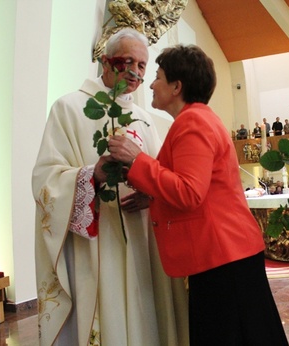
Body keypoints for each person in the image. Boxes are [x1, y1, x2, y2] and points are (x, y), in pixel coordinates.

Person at [108, 44, 289, 346]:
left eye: (158, 76)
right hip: (227, 254)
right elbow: (203, 190)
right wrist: (153, 197)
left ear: (177, 86)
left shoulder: (193, 122)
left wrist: (137, 159)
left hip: (221, 256)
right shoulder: (199, 118)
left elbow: (190, 192)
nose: (151, 83)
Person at [32, 28, 188, 346]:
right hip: (97, 245)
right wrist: (92, 175)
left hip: (142, 238)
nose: (134, 72)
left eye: (142, 66)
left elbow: (162, 175)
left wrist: (151, 193)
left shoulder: (145, 120)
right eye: (126, 61)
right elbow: (46, 179)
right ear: (105, 62)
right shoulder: (69, 108)